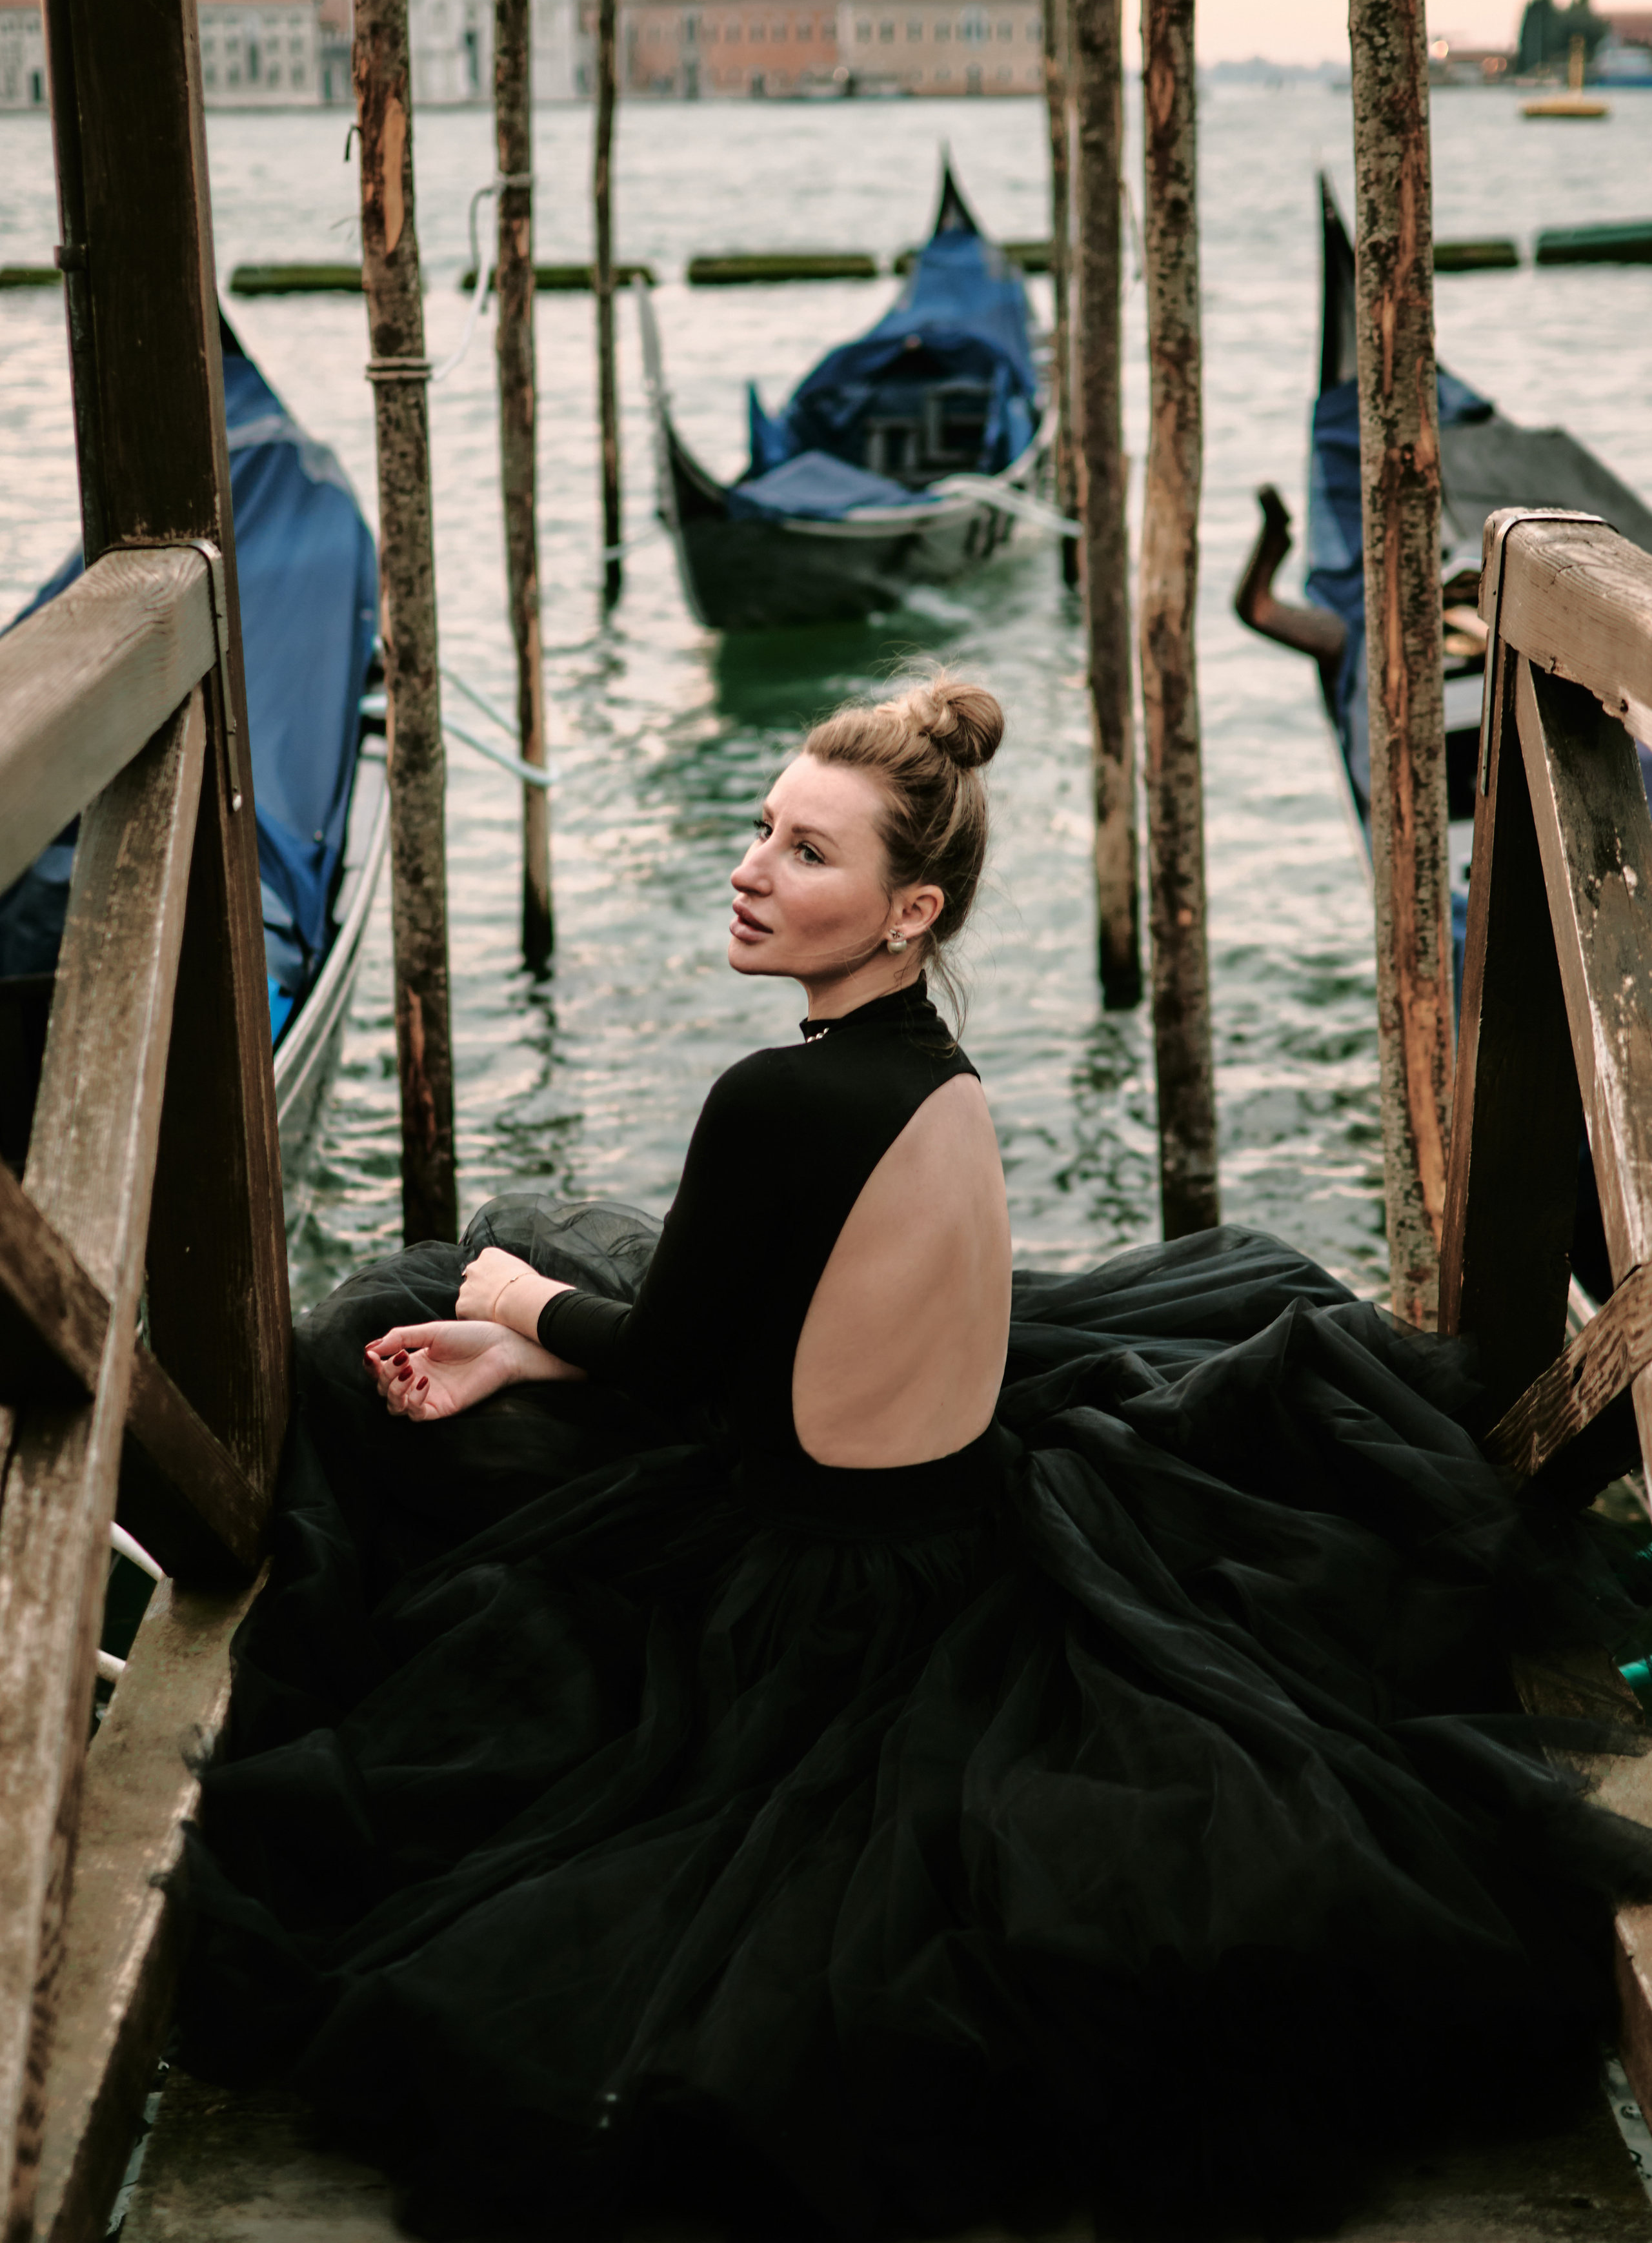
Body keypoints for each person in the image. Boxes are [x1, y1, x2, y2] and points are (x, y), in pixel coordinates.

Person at [182, 671, 1652, 2241]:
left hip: (836, 1589)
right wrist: (543, 1342)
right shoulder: (926, 1065)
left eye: (808, 853)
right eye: (760, 831)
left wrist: (523, 1304)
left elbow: (680, 1372)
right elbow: (763, 1344)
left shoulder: (774, 1099)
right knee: (475, 1317)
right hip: (959, 1501)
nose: (751, 867)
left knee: (419, 1313)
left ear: (909, 910)